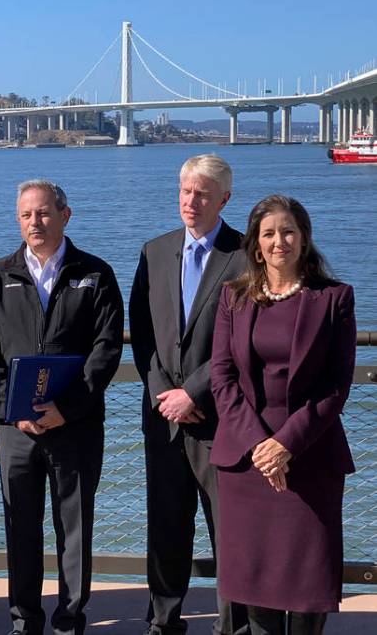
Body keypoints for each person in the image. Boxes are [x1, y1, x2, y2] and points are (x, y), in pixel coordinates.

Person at [210, 195, 355, 635]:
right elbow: (221, 376)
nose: (279, 242)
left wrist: (285, 444)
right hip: (247, 465)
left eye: (288, 232)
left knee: (309, 587)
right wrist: (261, 447)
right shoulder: (233, 298)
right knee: (257, 593)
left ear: (304, 238)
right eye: (269, 233)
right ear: (256, 244)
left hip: (310, 461)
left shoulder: (334, 299)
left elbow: (336, 386)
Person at [0, 180, 123, 635]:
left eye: (43, 213)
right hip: (15, 429)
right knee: (19, 526)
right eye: (26, 215)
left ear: (66, 215)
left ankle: (70, 620)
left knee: (74, 528)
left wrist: (68, 407)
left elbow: (105, 351)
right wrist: (12, 410)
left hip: (76, 426)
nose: (35, 223)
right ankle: (24, 619)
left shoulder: (96, 274)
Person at [129, 153, 247, 635]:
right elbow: (142, 335)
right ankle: (163, 621)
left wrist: (193, 392)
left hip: (221, 418)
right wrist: (164, 394)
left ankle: (233, 625)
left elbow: (242, 340)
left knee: (229, 530)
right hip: (163, 418)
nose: (190, 201)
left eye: (201, 193)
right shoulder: (154, 252)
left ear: (224, 198)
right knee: (166, 526)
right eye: (184, 191)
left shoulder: (244, 256)